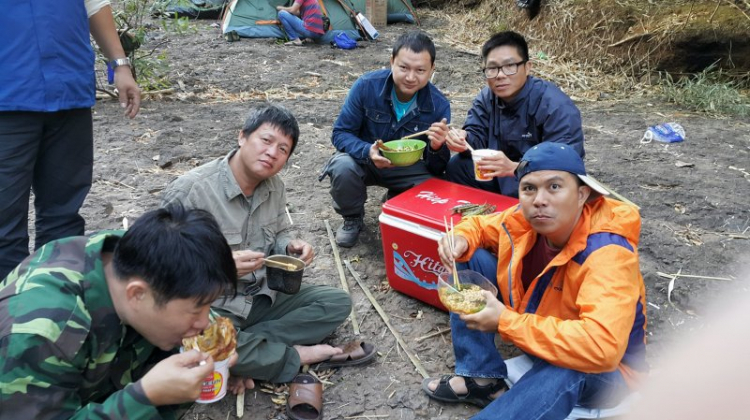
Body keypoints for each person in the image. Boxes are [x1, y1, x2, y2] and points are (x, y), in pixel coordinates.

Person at [423, 142, 648, 420]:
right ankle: (482, 380)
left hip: (609, 374)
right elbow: (480, 226)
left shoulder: (607, 252)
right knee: (467, 255)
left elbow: (601, 349)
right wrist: (459, 238)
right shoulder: (523, 219)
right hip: (543, 327)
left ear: (581, 194)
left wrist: (505, 321)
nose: (539, 199)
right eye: (529, 188)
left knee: (571, 366)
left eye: (554, 187)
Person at [162, 104, 373, 393]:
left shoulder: (275, 187)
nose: (273, 153)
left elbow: (278, 232)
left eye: (283, 149)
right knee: (197, 338)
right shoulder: (192, 191)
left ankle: (243, 352)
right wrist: (219, 264)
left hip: (261, 298)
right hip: (211, 306)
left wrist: (289, 244)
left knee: (336, 303)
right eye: (266, 140)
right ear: (242, 137)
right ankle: (291, 356)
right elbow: (160, 265)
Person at [0, 205, 238, 419]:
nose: (205, 322)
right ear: (137, 294)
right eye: (197, 309)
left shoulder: (140, 256)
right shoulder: (41, 334)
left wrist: (216, 348)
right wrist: (145, 397)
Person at [0, 0, 141, 279]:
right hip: (7, 100)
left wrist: (120, 64)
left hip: (69, 93)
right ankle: (11, 315)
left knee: (63, 219)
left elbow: (94, 3)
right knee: (4, 226)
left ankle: (58, 306)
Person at [319, 31, 452, 248]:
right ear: (391, 62)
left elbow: (437, 166)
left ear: (432, 70)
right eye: (403, 67)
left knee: (436, 188)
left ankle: (398, 199)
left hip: (408, 168)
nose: (410, 77)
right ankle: (352, 218)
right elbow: (340, 133)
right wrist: (367, 151)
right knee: (342, 165)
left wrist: (437, 147)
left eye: (420, 70)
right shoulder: (366, 86)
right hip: (366, 162)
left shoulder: (438, 105)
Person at [444, 31, 584, 198]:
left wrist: (516, 168)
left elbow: (565, 163)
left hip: (541, 183)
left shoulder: (555, 106)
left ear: (527, 67)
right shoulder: (486, 98)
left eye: (509, 66)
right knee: (458, 166)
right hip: (501, 178)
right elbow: (476, 138)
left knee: (555, 186)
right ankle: (486, 215)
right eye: (493, 68)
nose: (500, 75)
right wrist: (463, 138)